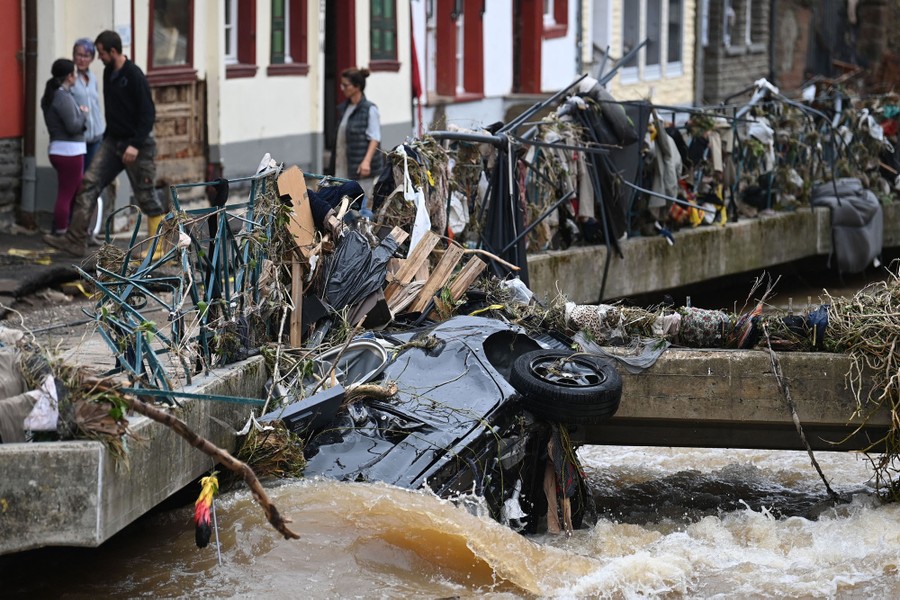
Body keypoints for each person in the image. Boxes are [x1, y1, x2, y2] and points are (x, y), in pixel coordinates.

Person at [44, 30, 167, 258]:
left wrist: (135, 145)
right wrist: (108, 137)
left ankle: (158, 246)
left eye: (100, 53)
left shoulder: (134, 75)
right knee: (89, 183)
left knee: (146, 194)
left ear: (113, 51)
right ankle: (75, 239)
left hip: (137, 145)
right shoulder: (109, 71)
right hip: (112, 141)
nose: (98, 58)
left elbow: (148, 114)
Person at [71, 37, 113, 244]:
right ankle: (76, 231)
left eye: (86, 55)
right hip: (79, 140)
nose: (82, 59)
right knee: (79, 185)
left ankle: (91, 231)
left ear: (92, 58)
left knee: (94, 184)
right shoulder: (71, 78)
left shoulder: (92, 77)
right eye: (79, 54)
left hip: (97, 137)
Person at [41, 58, 87, 236]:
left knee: (71, 192)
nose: (75, 76)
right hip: (69, 152)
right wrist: (83, 114)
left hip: (61, 149)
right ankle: (61, 232)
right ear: (69, 76)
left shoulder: (53, 95)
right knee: (67, 194)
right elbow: (73, 126)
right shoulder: (63, 97)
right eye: (74, 73)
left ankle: (66, 229)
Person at [333, 67, 383, 209]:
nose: (342, 88)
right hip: (344, 164)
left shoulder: (370, 109)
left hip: (360, 168)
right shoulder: (345, 108)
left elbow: (375, 137)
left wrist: (366, 162)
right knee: (344, 204)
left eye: (346, 85)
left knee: (359, 205)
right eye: (341, 85)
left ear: (357, 87)